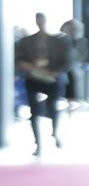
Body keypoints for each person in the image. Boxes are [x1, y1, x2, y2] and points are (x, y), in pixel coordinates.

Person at [12, 12, 69, 154]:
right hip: (33, 78)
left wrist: (56, 71)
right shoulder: (27, 41)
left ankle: (55, 132)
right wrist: (29, 66)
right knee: (34, 111)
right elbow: (18, 59)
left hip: (52, 78)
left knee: (53, 107)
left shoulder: (58, 41)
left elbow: (67, 60)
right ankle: (38, 143)